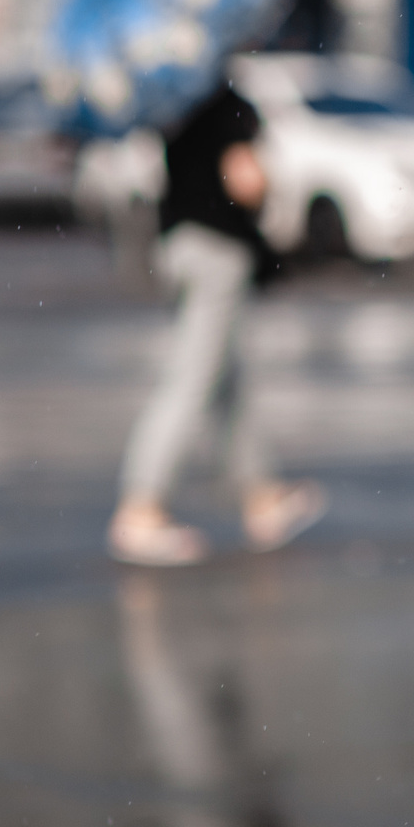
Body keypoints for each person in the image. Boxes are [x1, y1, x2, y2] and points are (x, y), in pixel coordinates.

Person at [108, 81, 326, 567]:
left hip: (178, 245)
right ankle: (141, 507)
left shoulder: (172, 98)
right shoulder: (227, 102)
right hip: (218, 251)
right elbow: (245, 182)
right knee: (194, 377)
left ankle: (263, 496)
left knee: (226, 376)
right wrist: (270, 175)